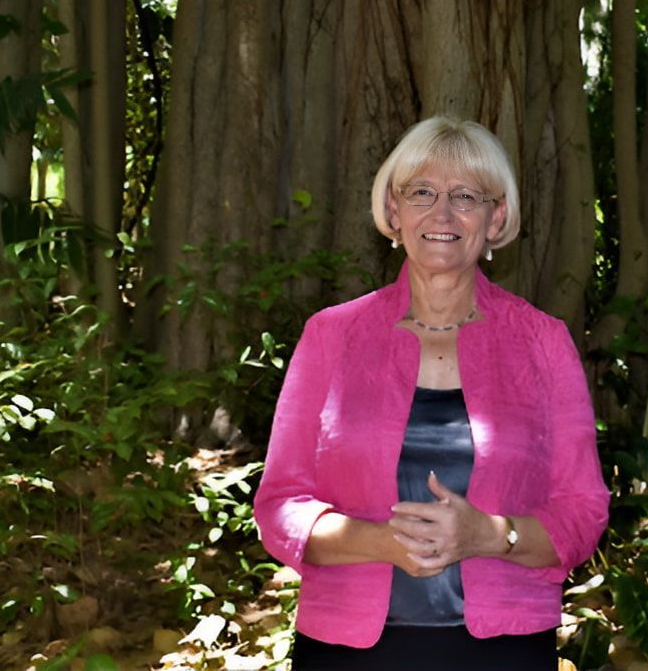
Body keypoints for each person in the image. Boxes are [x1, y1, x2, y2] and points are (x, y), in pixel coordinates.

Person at [253, 116, 609, 670]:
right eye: (422, 192)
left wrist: (489, 536)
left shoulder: (543, 342)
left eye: (465, 196)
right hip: (346, 647)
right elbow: (280, 507)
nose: (442, 214)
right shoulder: (332, 335)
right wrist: (382, 543)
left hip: (503, 649)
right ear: (394, 212)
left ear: (496, 219)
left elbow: (583, 513)